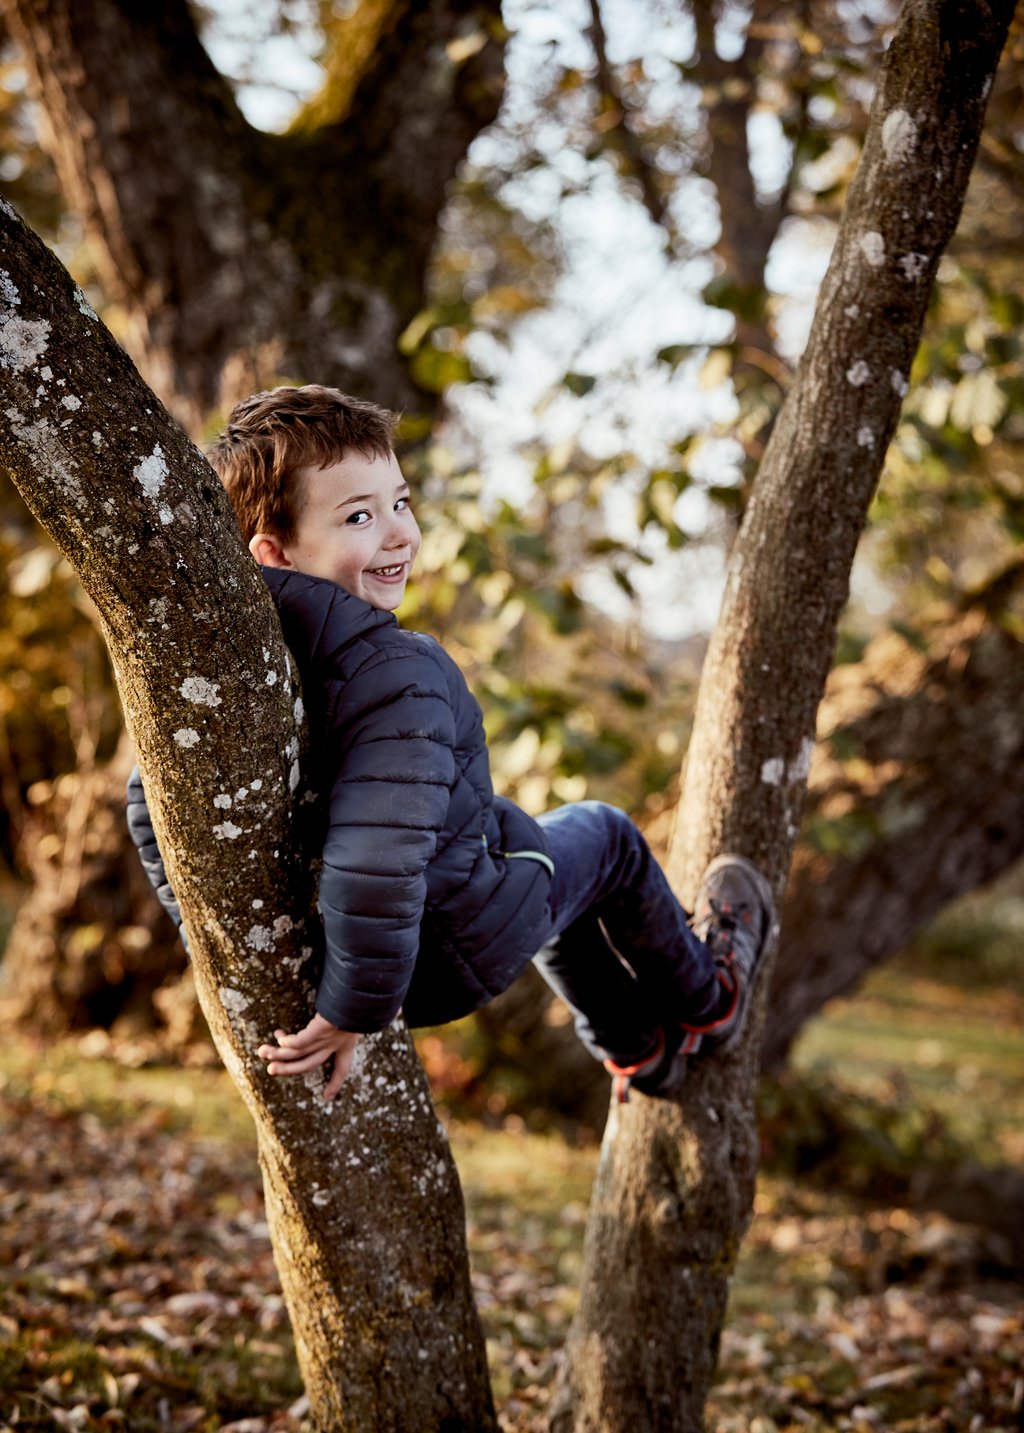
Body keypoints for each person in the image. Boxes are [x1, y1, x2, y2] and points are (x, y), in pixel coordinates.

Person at [126, 385, 775, 1105]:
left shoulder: (234, 684)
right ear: (274, 554)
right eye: (359, 516)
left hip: (378, 958)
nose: (400, 534)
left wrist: (223, 950)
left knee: (548, 866)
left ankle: (645, 1052)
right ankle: (710, 1000)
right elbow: (375, 864)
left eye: (400, 503)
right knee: (608, 838)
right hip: (451, 940)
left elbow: (147, 807)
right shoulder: (396, 670)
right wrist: (353, 1009)